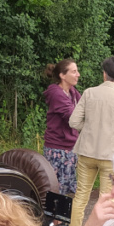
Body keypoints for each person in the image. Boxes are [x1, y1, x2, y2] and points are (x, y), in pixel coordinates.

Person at [67, 56, 114, 226]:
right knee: (106, 200)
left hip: (86, 152)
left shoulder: (89, 93)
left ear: (104, 74)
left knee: (80, 197)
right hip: (110, 156)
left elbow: (73, 121)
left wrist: (89, 129)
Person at [44, 58, 83, 195]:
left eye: (77, 71)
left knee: (66, 191)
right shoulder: (56, 93)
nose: (78, 74)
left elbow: (85, 108)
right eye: (74, 71)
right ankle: (50, 217)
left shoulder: (72, 92)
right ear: (62, 75)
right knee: (55, 190)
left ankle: (59, 216)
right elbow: (73, 116)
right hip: (57, 149)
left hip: (70, 148)